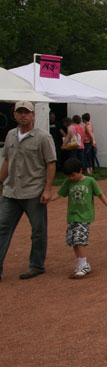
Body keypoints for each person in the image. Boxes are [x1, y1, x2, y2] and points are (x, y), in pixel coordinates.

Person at [0, 101, 57, 281]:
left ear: (33, 115)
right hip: (11, 191)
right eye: (20, 112)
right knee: (2, 228)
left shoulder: (43, 137)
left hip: (33, 191)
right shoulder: (10, 135)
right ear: (14, 115)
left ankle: (36, 265)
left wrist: (47, 189)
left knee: (38, 230)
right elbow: (7, 161)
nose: (23, 115)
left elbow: (51, 164)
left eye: (27, 112)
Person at [52, 158, 107, 279]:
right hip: (72, 216)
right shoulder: (68, 182)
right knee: (74, 242)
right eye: (69, 176)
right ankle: (81, 263)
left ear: (80, 170)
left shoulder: (90, 181)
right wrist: (48, 199)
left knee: (79, 240)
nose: (71, 178)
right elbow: (59, 194)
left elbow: (100, 194)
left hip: (84, 216)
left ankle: (84, 265)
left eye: (73, 175)